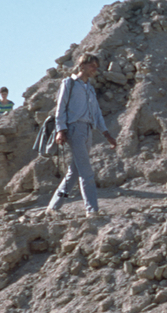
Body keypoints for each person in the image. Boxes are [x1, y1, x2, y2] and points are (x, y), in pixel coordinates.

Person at [47, 55, 117, 216]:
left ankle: (53, 207)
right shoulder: (69, 84)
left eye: (96, 66)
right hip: (74, 129)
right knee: (86, 171)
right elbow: (60, 108)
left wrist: (106, 134)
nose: (95, 69)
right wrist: (60, 130)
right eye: (92, 65)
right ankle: (92, 210)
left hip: (88, 130)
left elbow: (97, 113)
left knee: (74, 172)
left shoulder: (90, 88)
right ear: (82, 66)